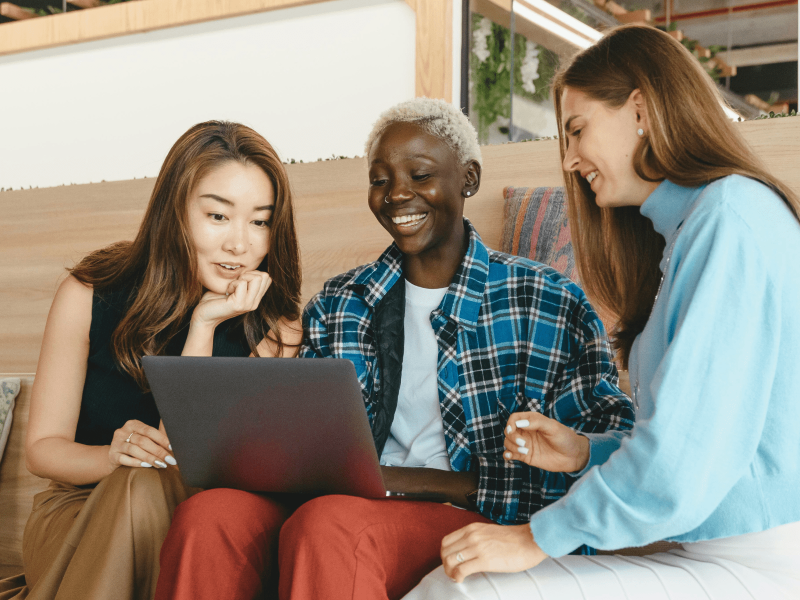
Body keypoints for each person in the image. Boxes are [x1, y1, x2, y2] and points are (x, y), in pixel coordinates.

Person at [155, 97, 634, 600]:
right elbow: (306, 450)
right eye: (380, 180)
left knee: (331, 525)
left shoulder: (546, 301)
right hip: (341, 501)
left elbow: (612, 442)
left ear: (468, 179)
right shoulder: (340, 303)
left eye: (419, 175)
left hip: (463, 515)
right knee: (208, 517)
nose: (397, 194)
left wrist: (423, 483)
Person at [405, 25, 800, 600]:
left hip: (761, 563)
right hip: (716, 549)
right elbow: (700, 439)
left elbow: (683, 462)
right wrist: (587, 452)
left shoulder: (728, 219)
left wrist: (538, 537)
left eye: (576, 130)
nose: (569, 160)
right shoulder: (692, 229)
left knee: (463, 592)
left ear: (640, 109)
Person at [0, 121, 302, 600]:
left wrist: (203, 326)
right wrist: (111, 457)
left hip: (192, 522)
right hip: (78, 512)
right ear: (174, 211)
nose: (239, 245)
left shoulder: (276, 329)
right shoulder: (90, 291)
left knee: (149, 489)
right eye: (218, 216)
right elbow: (42, 449)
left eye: (260, 222)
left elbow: (178, 459)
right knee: (137, 486)